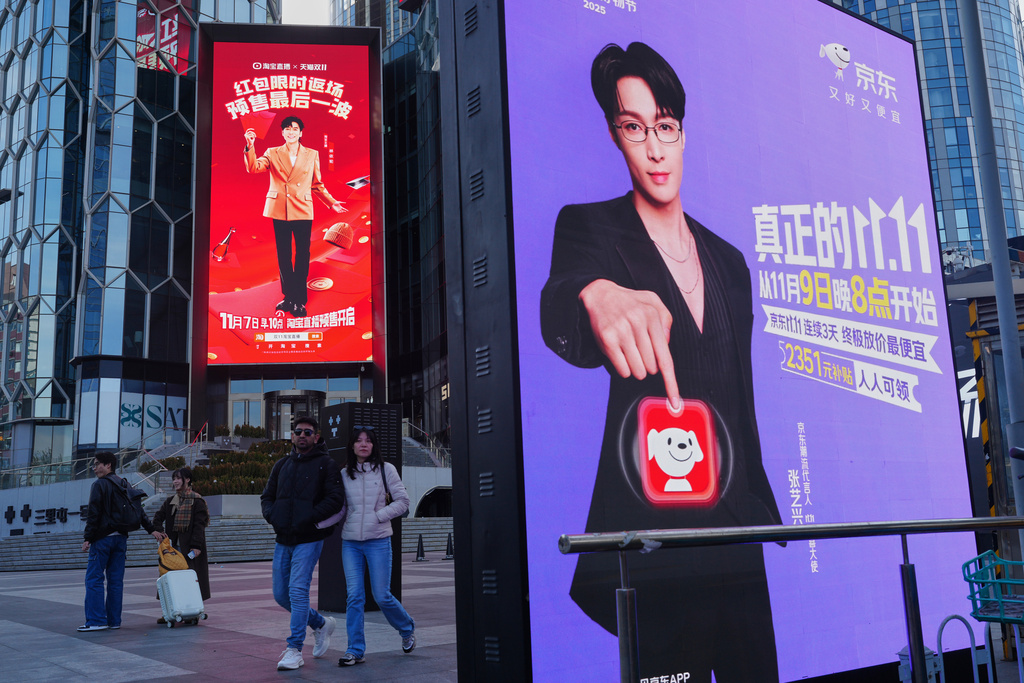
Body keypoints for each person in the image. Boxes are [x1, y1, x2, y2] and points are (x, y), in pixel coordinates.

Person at [539, 42, 783, 681]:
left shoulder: (729, 261)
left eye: (665, 127)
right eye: (633, 127)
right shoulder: (590, 228)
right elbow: (560, 298)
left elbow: (741, 394)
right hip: (653, 533)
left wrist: (759, 503)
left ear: (683, 131)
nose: (653, 147)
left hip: (734, 528)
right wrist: (597, 294)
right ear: (615, 136)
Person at [260, 415, 345, 671]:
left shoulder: (326, 464)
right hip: (283, 538)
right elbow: (267, 496)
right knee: (281, 595)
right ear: (292, 435)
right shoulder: (281, 465)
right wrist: (272, 516)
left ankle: (294, 649)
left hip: (309, 538)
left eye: (308, 432)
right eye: (298, 431)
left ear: (316, 437)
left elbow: (335, 499)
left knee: (297, 591)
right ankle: (320, 624)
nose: (303, 436)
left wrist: (308, 518)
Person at [243, 115, 346, 318]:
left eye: (295, 128)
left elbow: (317, 184)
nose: (291, 131)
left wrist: (332, 202)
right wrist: (250, 146)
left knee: (302, 256)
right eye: (287, 128)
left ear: (301, 132)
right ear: (282, 132)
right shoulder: (273, 152)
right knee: (283, 256)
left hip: (302, 209)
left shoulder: (312, 154)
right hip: (279, 208)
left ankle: (299, 300)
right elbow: (253, 167)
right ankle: (288, 297)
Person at [334, 427, 415, 666]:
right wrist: (319, 522)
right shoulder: (344, 473)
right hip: (350, 543)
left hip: (378, 540)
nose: (363, 444)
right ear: (352, 446)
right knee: (355, 596)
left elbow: (403, 502)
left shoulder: (386, 469)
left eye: (368, 441)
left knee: (381, 595)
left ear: (374, 446)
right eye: (358, 440)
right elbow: (341, 508)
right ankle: (355, 650)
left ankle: (406, 628)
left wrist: (378, 516)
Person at [79, 451, 165, 632]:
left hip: (102, 539)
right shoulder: (124, 484)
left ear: (108, 465)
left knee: (94, 579)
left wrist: (88, 538)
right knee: (115, 581)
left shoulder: (99, 485)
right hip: (120, 540)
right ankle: (114, 621)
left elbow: (93, 514)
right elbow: (139, 510)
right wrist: (151, 530)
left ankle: (96, 621)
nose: (94, 468)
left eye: (97, 464)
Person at [152, 466, 211, 622]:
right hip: (172, 550)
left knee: (189, 582)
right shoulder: (171, 501)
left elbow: (200, 525)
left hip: (189, 549)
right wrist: (160, 532)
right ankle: (170, 612)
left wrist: (196, 546)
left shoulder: (197, 501)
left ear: (188, 480)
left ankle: (191, 614)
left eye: (178, 478)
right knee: (170, 579)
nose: (175, 481)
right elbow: (157, 518)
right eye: (174, 478)